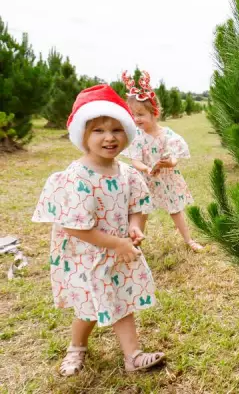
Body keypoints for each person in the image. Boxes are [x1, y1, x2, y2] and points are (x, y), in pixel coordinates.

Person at [32, 85, 166, 376]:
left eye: (117, 129)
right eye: (98, 130)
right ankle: (76, 347)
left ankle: (133, 356)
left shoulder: (127, 173)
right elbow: (75, 227)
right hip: (86, 255)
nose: (109, 137)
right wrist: (116, 243)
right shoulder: (76, 177)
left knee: (121, 302)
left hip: (116, 253)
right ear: (83, 136)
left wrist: (134, 227)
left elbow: (137, 204)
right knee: (88, 309)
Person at [119, 71, 204, 252]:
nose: (136, 119)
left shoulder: (167, 135)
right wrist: (147, 169)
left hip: (166, 180)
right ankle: (135, 244)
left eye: (140, 114)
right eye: (133, 114)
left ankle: (189, 240)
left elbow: (174, 158)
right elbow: (135, 161)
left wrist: (170, 163)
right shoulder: (137, 137)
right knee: (141, 212)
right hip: (146, 180)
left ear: (154, 113)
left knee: (175, 210)